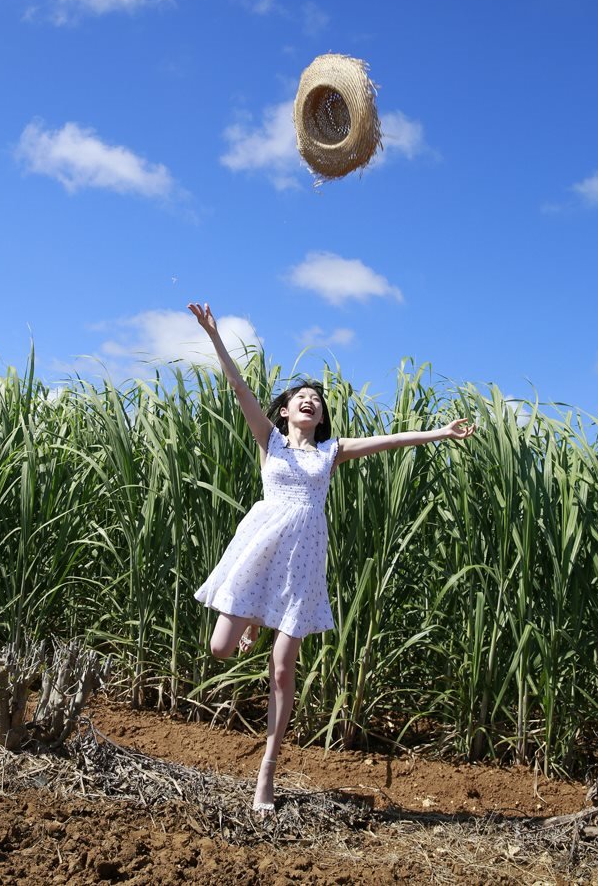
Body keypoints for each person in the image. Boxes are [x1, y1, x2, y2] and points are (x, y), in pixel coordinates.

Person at [187, 301, 475, 815]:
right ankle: (253, 618)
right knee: (220, 650)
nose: (310, 402)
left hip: (302, 559)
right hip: (262, 547)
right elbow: (239, 389)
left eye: (316, 400)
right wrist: (215, 337)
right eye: (301, 397)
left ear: (321, 417)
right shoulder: (270, 442)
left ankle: (266, 777)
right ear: (284, 410)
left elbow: (389, 441)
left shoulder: (330, 451)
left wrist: (439, 432)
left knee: (281, 669)